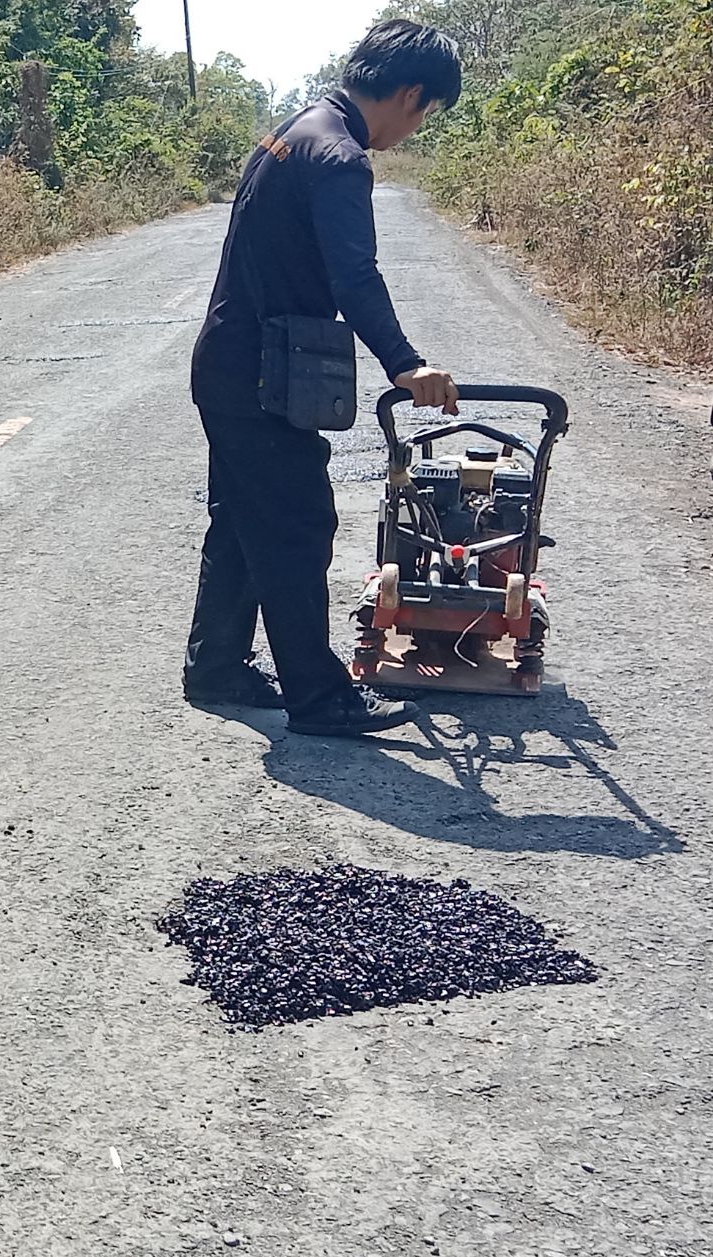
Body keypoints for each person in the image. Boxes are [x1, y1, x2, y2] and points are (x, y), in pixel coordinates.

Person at [183, 19, 464, 737]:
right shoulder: (341, 157)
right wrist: (406, 363)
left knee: (243, 517)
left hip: (230, 360)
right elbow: (355, 276)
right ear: (410, 94)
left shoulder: (296, 128)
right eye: (427, 111)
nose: (417, 126)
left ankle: (216, 666)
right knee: (297, 524)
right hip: (260, 374)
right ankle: (320, 698)